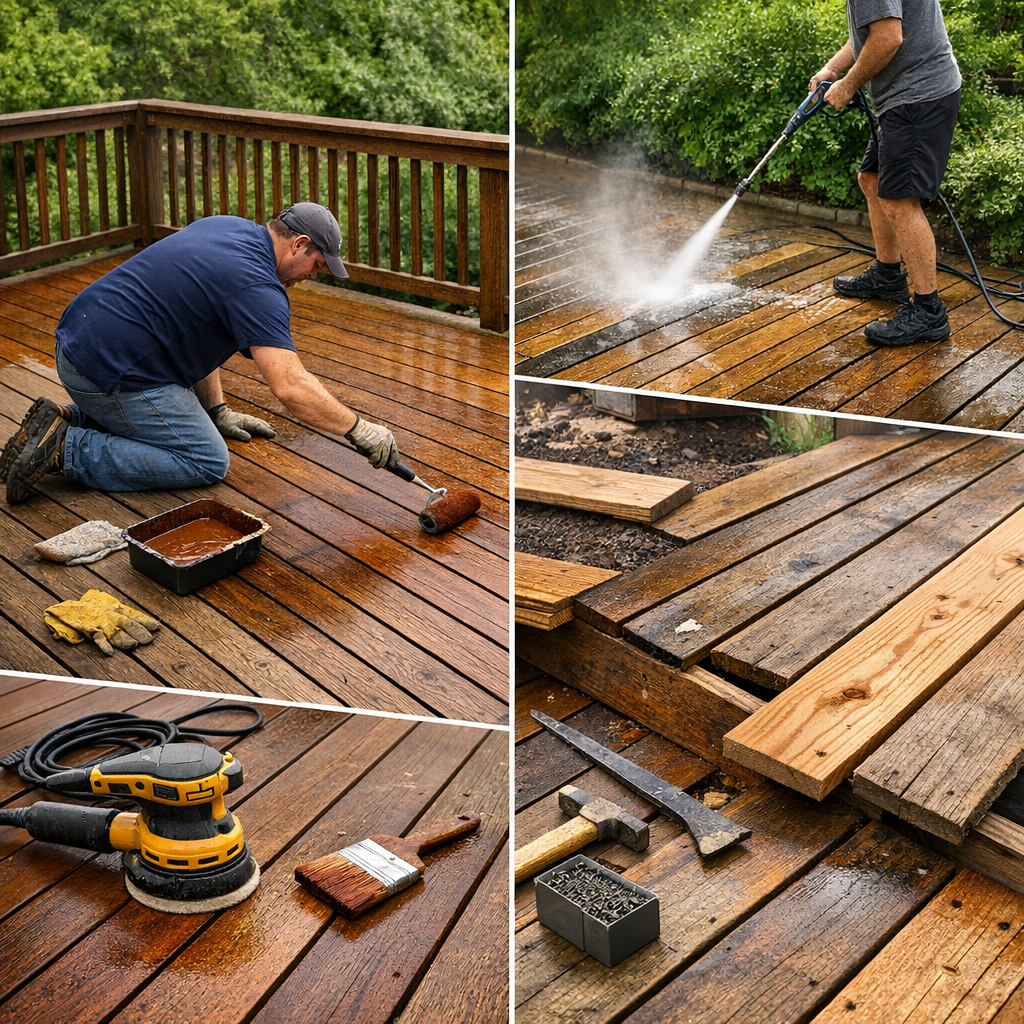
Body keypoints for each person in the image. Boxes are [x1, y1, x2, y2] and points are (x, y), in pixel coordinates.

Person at [1, 202, 402, 504]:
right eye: (316, 265)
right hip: (109, 372)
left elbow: (201, 336)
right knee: (206, 460)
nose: (313, 276)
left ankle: (68, 418)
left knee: (201, 429)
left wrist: (216, 412)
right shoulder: (258, 289)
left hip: (78, 343)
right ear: (299, 244)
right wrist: (358, 429)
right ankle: (65, 449)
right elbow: (290, 386)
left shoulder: (226, 227)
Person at [810, 0, 961, 345]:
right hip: (907, 98)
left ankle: (928, 312)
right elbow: (871, 33)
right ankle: (888, 276)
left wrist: (848, 86)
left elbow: (888, 38)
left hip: (918, 97)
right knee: (872, 178)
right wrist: (832, 69)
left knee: (899, 201)